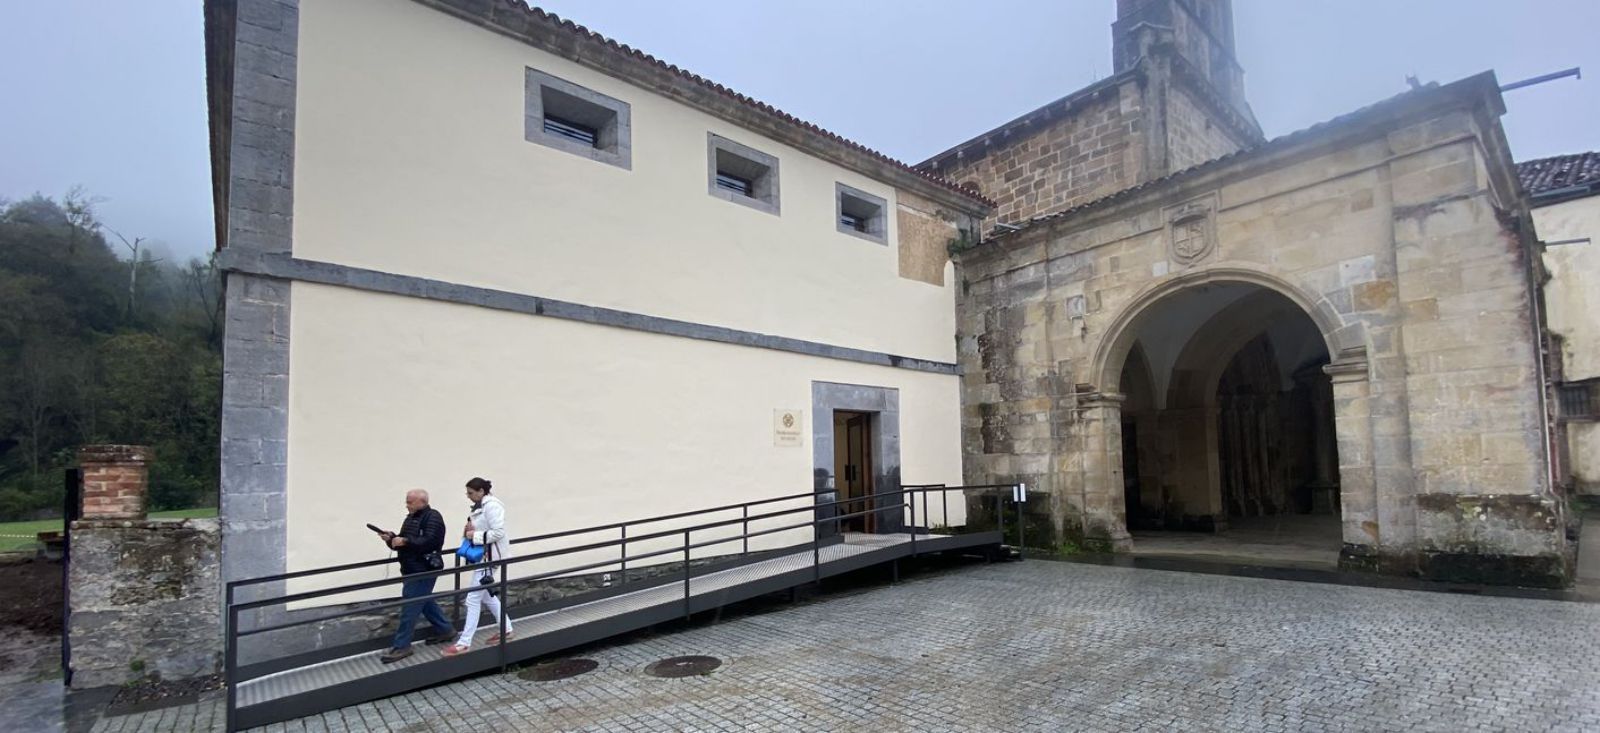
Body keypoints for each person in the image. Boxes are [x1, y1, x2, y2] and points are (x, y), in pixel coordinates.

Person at [378, 489, 454, 664]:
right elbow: (405, 542)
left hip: (423, 569)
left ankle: (402, 646)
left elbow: (431, 541)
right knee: (424, 601)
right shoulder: (411, 518)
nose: (407, 505)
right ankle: (445, 630)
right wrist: (391, 539)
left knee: (409, 607)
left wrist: (404, 541)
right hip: (412, 567)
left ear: (422, 502)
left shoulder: (433, 517)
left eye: (410, 502)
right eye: (407, 501)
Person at [443, 477, 514, 655]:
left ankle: (464, 643)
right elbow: (484, 530)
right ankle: (507, 629)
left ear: (481, 491)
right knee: (486, 597)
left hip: (491, 557)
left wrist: (473, 535)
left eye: (471, 493)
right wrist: (469, 530)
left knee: (473, 598)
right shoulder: (481, 506)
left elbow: (498, 532)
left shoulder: (491, 505)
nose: (468, 496)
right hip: (486, 557)